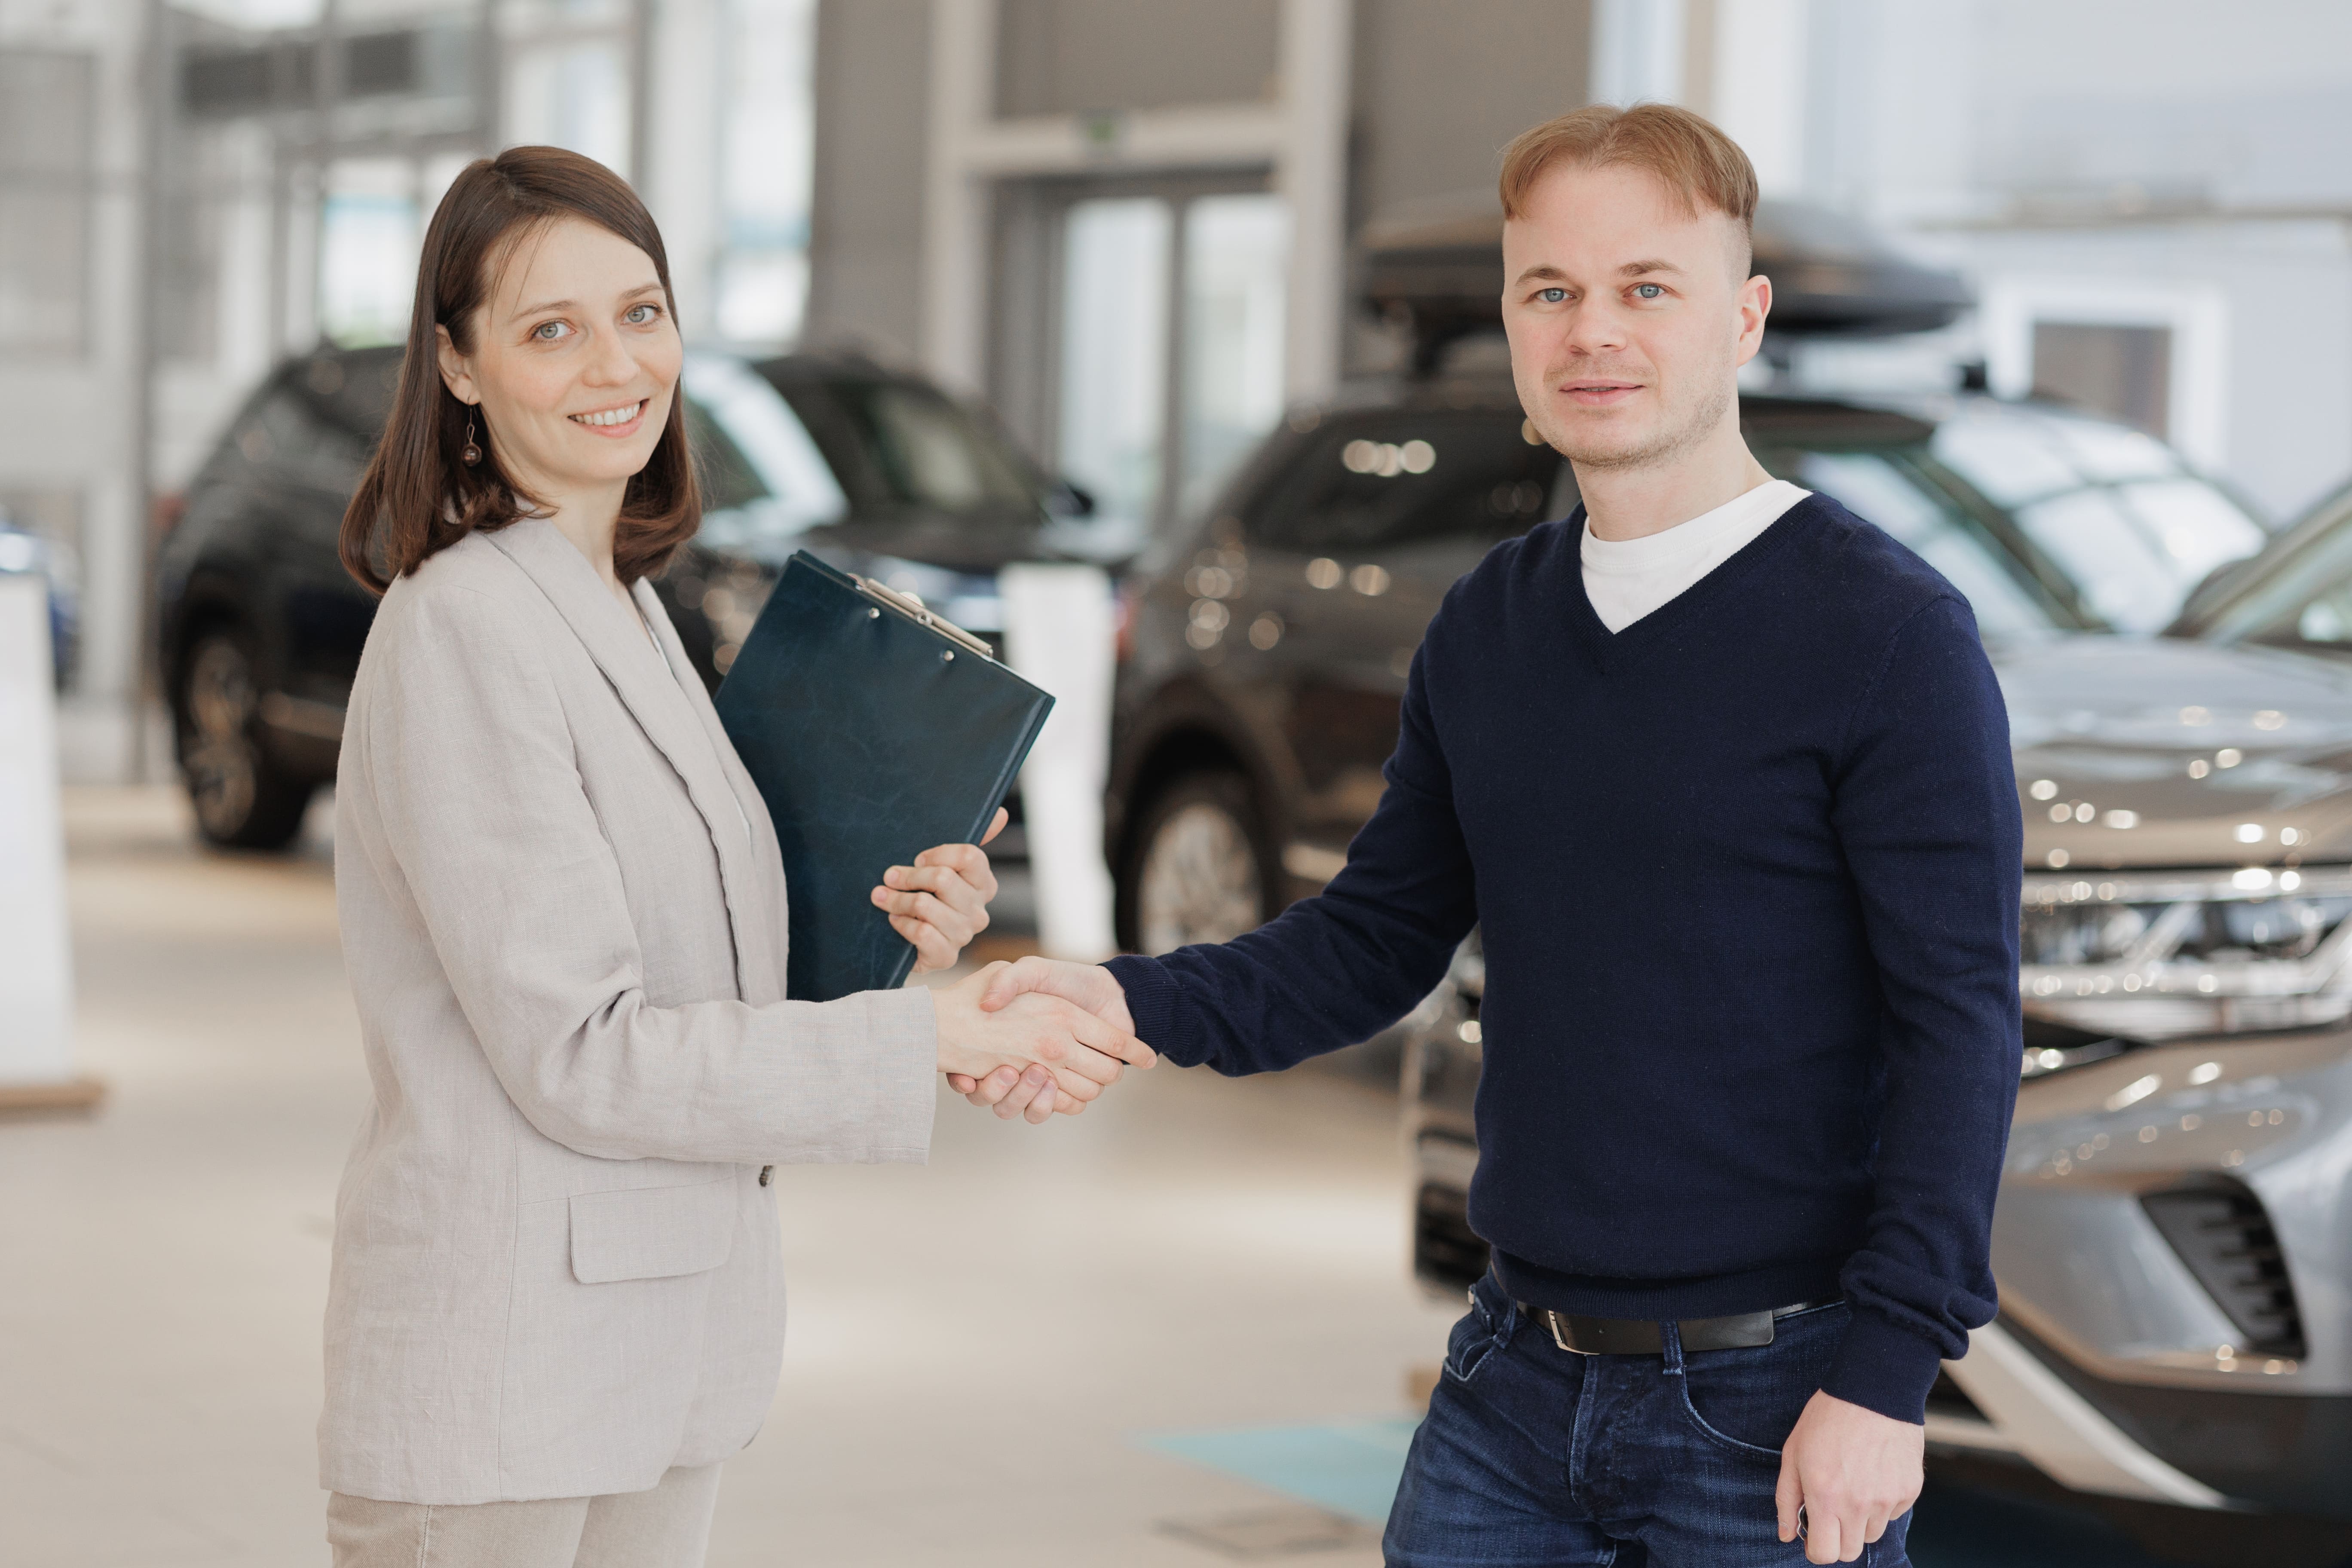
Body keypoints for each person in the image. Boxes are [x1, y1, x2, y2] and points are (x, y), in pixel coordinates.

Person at [960, 103, 2021, 1567]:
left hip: (1776, 1398)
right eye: (1552, 290)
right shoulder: (1493, 624)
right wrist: (1117, 998)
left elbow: (1959, 1022)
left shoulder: (1886, 634)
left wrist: (1890, 1376)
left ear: (1745, 318)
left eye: (1648, 287)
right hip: (1513, 1382)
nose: (1595, 331)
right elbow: (1368, 941)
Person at [320, 146, 1152, 1568]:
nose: (615, 364)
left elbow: (699, 961)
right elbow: (582, 1052)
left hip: (659, 1342)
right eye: (550, 329)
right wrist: (926, 1040)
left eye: (641, 312)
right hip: (508, 1369)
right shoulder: (465, 626)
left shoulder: (629, 603)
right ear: (458, 365)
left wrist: (892, 925)